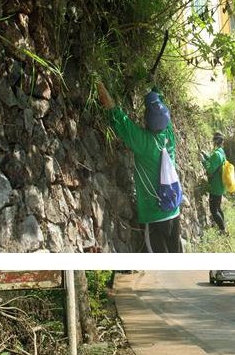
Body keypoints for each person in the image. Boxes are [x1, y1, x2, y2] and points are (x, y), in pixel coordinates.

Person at [97, 80, 182, 252]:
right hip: (174, 212)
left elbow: (118, 117)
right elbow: (161, 107)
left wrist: (100, 85)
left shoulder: (143, 142)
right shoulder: (169, 136)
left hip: (154, 217)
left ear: (147, 119)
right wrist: (155, 91)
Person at [200, 131, 227, 233]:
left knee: (213, 210)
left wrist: (203, 161)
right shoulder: (221, 152)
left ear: (215, 141)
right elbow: (214, 162)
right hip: (220, 185)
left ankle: (222, 230)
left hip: (215, 186)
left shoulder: (216, 154)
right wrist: (206, 155)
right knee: (218, 207)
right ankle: (223, 225)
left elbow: (210, 169)